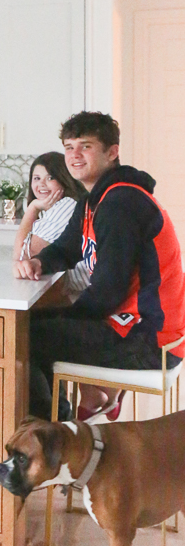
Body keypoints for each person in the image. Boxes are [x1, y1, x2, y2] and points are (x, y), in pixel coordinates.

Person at [14, 111, 185, 420]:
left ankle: (54, 434)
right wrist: (38, 261)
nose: (74, 155)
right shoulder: (96, 199)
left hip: (149, 341)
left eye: (86, 146)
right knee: (34, 328)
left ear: (112, 152)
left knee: (23, 340)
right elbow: (67, 249)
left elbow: (109, 288)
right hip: (139, 330)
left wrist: (66, 320)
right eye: (68, 147)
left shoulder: (121, 203)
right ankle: (65, 423)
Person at [14, 151, 89, 297]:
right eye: (36, 178)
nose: (41, 184)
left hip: (83, 297)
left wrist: (32, 208)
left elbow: (24, 255)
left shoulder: (67, 205)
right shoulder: (58, 207)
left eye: (50, 178)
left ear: (64, 179)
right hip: (75, 292)